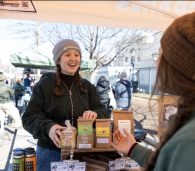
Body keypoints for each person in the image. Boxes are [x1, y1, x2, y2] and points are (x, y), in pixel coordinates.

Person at [111, 12, 195, 171]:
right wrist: (133, 149)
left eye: (160, 55)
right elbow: (171, 161)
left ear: (180, 66)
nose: (157, 63)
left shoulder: (188, 142)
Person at [22, 39, 107, 171]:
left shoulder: (88, 87)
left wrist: (96, 114)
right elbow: (29, 118)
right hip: (50, 152)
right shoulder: (45, 85)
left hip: (82, 151)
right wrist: (49, 128)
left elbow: (103, 111)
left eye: (76, 55)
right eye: (67, 54)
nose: (73, 58)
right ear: (58, 60)